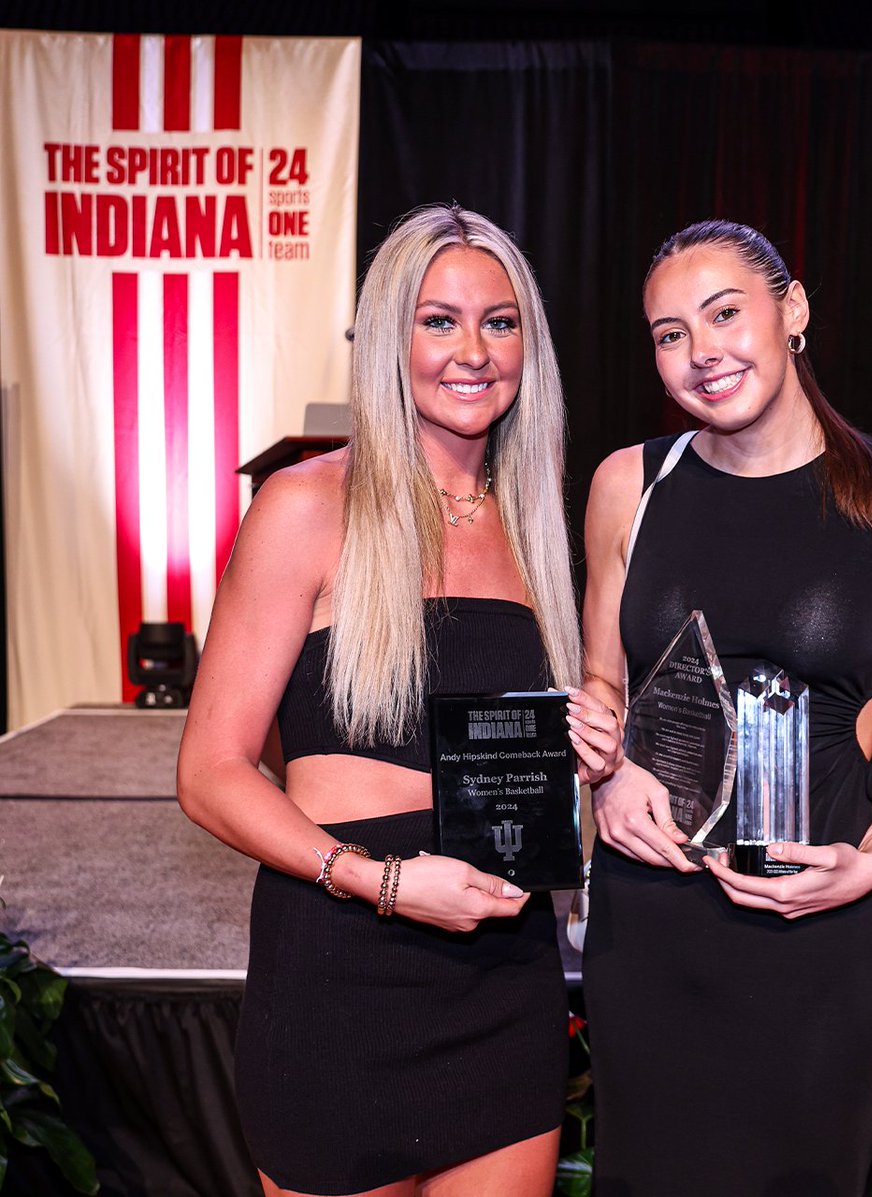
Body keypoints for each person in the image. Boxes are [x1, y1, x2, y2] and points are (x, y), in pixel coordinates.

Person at [177, 204, 620, 1197]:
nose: (474, 351)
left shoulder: (535, 522)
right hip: (340, 973)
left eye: (500, 322)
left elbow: (533, 757)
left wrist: (590, 740)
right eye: (440, 320)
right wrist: (376, 881)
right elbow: (207, 775)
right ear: (391, 337)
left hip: (505, 979)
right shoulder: (306, 506)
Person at [580, 219, 872, 1196]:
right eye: (669, 332)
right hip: (651, 929)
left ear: (791, 309)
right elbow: (602, 688)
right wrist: (604, 770)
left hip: (816, 923)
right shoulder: (627, 485)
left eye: (725, 314)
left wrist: (871, 862)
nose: (700, 351)